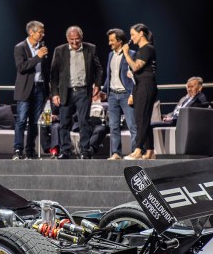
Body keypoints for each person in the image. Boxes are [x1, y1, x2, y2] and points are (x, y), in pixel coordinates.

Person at [49, 26, 104, 159]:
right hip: (65, 92)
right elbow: (53, 75)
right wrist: (54, 93)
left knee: (84, 121)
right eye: (72, 40)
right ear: (67, 39)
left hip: (83, 91)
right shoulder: (59, 50)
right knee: (64, 123)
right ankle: (65, 150)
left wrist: (97, 85)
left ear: (81, 38)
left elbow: (99, 69)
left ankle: (85, 151)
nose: (74, 43)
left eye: (77, 40)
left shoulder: (90, 48)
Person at [13, 20, 50, 159]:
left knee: (35, 122)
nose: (43, 34)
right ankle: (17, 150)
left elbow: (46, 70)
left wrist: (48, 91)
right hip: (25, 89)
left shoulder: (42, 47)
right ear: (31, 32)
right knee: (22, 120)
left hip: (40, 88)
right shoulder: (20, 47)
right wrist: (37, 57)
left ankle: (30, 150)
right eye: (40, 32)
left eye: (43, 32)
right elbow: (21, 68)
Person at [122, 23, 157, 160]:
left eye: (132, 35)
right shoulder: (143, 49)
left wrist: (126, 53)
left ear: (141, 33)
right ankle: (150, 151)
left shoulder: (147, 48)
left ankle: (138, 150)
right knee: (144, 119)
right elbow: (138, 71)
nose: (131, 38)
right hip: (140, 86)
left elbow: (136, 67)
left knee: (141, 119)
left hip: (146, 86)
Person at [102, 28, 137, 160]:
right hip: (112, 96)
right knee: (113, 126)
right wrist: (104, 91)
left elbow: (135, 77)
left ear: (120, 41)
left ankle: (136, 151)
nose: (109, 43)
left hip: (126, 95)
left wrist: (133, 94)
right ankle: (116, 153)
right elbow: (109, 75)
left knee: (132, 125)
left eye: (112, 40)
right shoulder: (111, 55)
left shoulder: (132, 54)